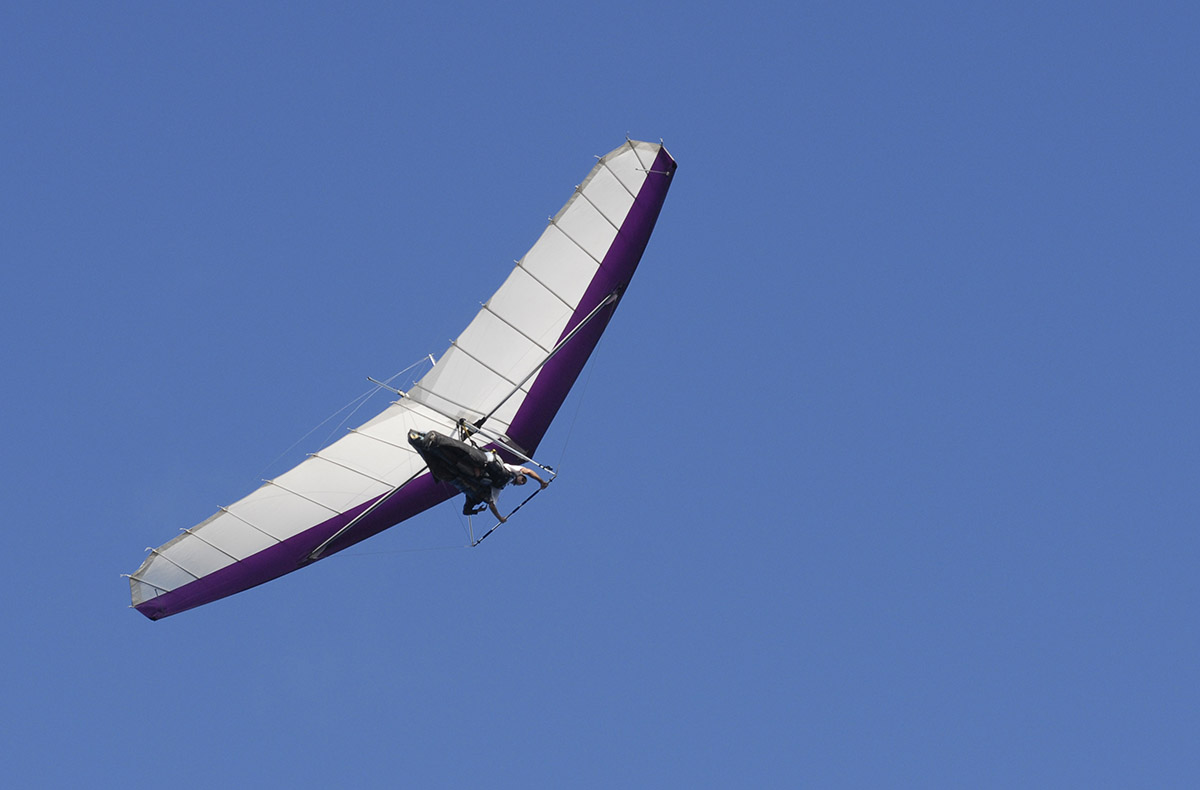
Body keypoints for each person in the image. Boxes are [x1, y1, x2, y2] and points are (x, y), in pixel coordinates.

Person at [407, 429, 548, 522]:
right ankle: (435, 438)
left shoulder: (499, 487)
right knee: (464, 453)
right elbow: (528, 471)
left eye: (521, 482)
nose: (521, 480)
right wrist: (541, 482)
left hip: (466, 471)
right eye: (522, 480)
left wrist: (499, 518)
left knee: (450, 464)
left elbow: (492, 504)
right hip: (482, 460)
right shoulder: (511, 470)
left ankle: (419, 443)